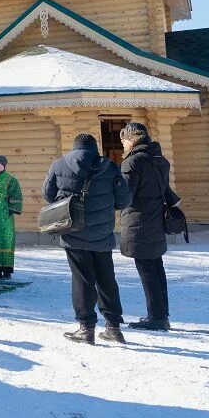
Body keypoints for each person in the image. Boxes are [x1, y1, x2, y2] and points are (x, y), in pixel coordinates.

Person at [43, 133, 131, 345]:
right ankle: (113, 327)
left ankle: (86, 328)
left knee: (82, 280)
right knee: (106, 279)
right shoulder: (110, 167)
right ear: (95, 147)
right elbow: (124, 199)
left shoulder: (59, 164)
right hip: (102, 233)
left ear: (75, 147)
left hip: (73, 232)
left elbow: (48, 194)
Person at [119, 122, 180, 332]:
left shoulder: (132, 162)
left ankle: (156, 317)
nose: (122, 144)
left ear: (131, 139)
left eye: (123, 140)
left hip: (138, 222)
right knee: (156, 268)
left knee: (147, 271)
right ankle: (162, 314)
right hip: (156, 220)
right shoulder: (159, 160)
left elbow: (126, 196)